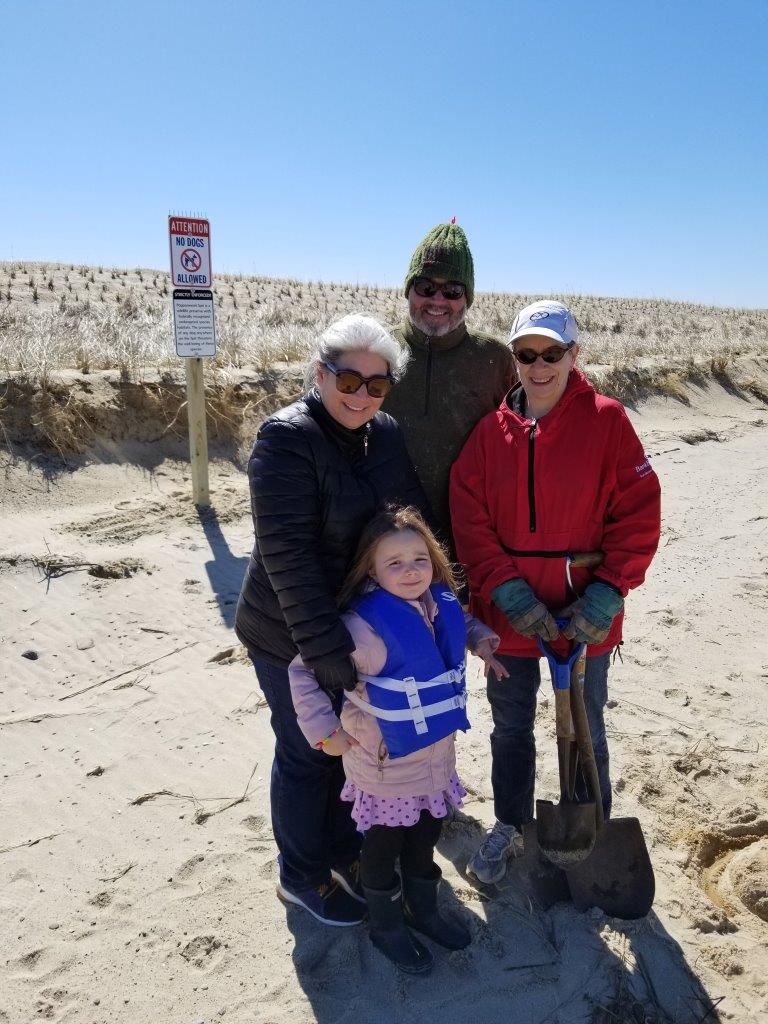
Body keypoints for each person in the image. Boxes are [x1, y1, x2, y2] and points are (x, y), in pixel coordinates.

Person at [450, 300, 661, 885]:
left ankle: (596, 818)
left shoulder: (608, 421)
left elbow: (638, 516)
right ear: (513, 359)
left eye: (551, 353)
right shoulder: (491, 435)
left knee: (587, 720)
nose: (539, 366)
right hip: (513, 617)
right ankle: (511, 823)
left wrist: (608, 593)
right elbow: (470, 520)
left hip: (586, 617)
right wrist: (509, 593)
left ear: (574, 355)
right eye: (526, 355)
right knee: (511, 725)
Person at [235, 314, 431, 926]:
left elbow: (410, 522)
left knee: (351, 750)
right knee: (308, 750)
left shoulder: (387, 434)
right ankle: (300, 875)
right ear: (320, 374)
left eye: (377, 385)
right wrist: (328, 658)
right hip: (288, 632)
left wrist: (439, 608)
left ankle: (344, 851)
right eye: (349, 378)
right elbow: (288, 559)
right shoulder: (286, 439)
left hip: (358, 633)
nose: (361, 395)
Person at [289, 506, 505, 974]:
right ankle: (387, 925)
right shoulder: (360, 628)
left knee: (426, 834)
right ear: (370, 568)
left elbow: (459, 625)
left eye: (420, 559)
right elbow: (303, 669)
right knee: (382, 849)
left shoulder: (438, 602)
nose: (411, 571)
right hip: (383, 765)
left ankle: (423, 909)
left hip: (435, 758)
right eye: (395, 563)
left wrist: (482, 638)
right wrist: (325, 733)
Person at [384, 220, 516, 548]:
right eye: (426, 287)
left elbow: (524, 439)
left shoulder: (495, 358)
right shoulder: (377, 350)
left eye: (452, 291)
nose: (438, 300)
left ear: (467, 298)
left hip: (471, 537)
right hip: (387, 539)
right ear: (409, 290)